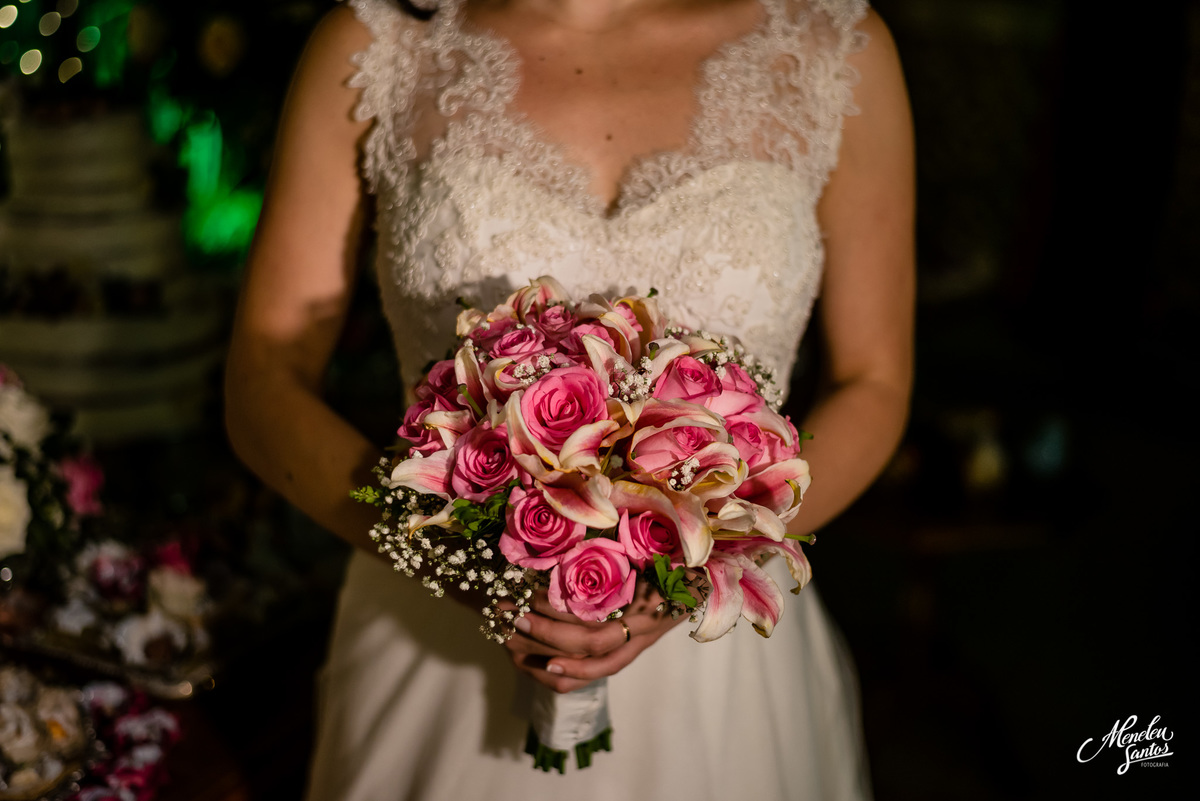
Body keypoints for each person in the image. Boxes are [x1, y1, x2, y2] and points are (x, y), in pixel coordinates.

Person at [224, 0, 913, 798]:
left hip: (721, 665)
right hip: (434, 636)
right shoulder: (377, 45)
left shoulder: (834, 50)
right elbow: (263, 379)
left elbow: (875, 381)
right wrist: (454, 557)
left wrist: (699, 564)